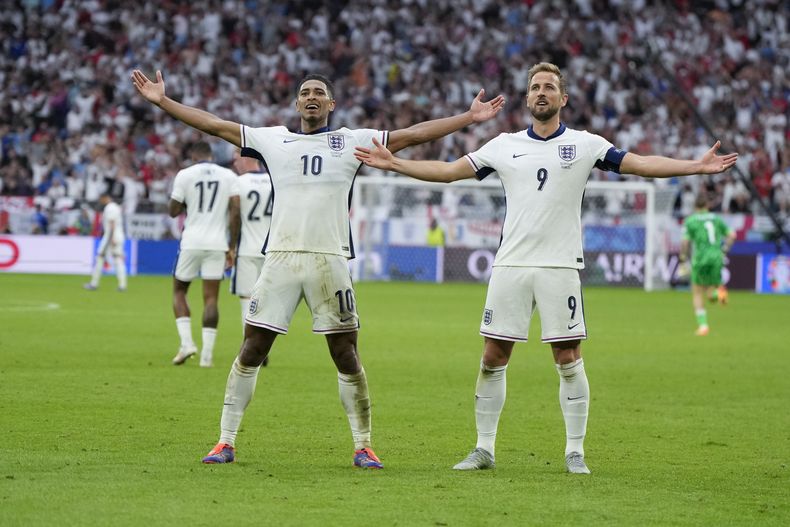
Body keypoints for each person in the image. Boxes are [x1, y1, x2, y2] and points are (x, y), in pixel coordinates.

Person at [354, 62, 738, 474]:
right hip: (511, 265)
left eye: (549, 87)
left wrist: (695, 166)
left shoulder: (586, 144)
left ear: (563, 99)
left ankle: (575, 451)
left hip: (559, 266)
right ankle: (483, 449)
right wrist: (395, 164)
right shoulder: (503, 145)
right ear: (526, 97)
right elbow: (449, 173)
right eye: (535, 86)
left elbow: (641, 163)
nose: (541, 92)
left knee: (568, 356)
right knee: (492, 355)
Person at [131, 68, 505, 469]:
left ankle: (363, 445)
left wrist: (467, 119)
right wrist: (163, 102)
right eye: (305, 92)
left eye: (319, 93)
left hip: (330, 261)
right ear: (296, 104)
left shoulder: (352, 141)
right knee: (252, 349)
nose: (311, 97)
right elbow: (215, 125)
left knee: (345, 353)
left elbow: (411, 135)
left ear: (331, 105)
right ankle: (225, 441)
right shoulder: (274, 139)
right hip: (281, 260)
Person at [169, 141, 241, 368]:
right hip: (218, 243)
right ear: (211, 156)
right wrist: (232, 245)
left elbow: (173, 211)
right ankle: (207, 357)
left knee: (179, 291)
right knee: (211, 299)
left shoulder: (185, 174)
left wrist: (186, 203)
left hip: (191, 241)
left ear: (193, 157)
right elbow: (235, 212)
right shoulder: (228, 175)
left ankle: (187, 343)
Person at [229, 148, 272, 366]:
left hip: (246, 249)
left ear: (247, 158)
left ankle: (249, 346)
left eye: (236, 158)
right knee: (266, 300)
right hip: (272, 251)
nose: (235, 162)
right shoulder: (274, 179)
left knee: (247, 298)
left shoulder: (239, 183)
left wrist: (230, 245)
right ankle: (263, 347)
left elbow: (235, 214)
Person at [679, 193, 736, 336]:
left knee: (697, 292)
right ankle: (719, 293)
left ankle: (703, 326)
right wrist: (724, 250)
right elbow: (732, 235)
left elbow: (685, 242)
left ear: (695, 206)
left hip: (701, 259)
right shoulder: (716, 219)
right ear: (707, 206)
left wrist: (682, 258)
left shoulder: (690, 221)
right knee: (711, 294)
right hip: (717, 257)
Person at [83, 193, 127, 291]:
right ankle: (122, 285)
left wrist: (111, 239)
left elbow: (112, 224)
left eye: (101, 199)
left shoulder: (110, 208)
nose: (100, 201)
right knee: (116, 259)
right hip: (115, 236)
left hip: (111, 236)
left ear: (105, 198)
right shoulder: (115, 207)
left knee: (102, 257)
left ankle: (94, 284)